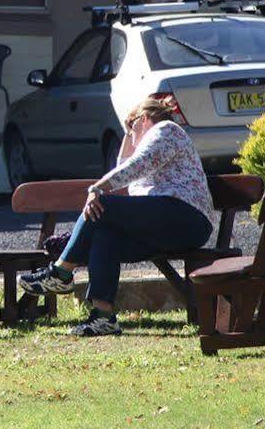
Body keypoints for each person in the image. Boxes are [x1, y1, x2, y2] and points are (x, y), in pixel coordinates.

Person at [20, 94, 214, 337]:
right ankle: (103, 317)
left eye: (131, 130)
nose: (130, 138)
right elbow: (126, 166)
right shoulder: (151, 141)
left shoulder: (166, 129)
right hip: (166, 225)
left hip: (185, 217)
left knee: (104, 205)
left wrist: (97, 188)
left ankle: (61, 272)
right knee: (105, 234)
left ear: (144, 119)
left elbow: (135, 165)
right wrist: (129, 131)